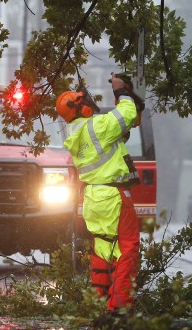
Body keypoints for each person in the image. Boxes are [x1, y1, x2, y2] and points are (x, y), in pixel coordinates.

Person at [58, 76, 143, 312]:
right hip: (113, 196)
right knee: (127, 250)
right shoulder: (97, 126)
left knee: (104, 251)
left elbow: (117, 133)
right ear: (82, 108)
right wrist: (122, 90)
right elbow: (126, 113)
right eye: (86, 101)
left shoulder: (75, 131)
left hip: (94, 200)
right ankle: (119, 308)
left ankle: (100, 304)